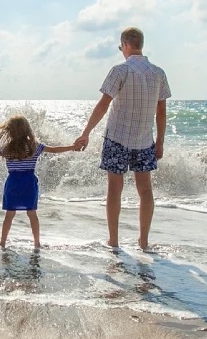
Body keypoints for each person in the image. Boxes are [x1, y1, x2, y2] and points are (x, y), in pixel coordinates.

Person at [73, 27, 171, 251]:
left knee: (114, 189)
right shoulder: (158, 73)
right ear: (140, 45)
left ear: (125, 45)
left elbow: (103, 105)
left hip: (117, 138)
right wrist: (160, 141)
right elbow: (161, 112)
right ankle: (143, 242)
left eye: (121, 47)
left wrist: (86, 132)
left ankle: (114, 241)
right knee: (145, 190)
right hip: (144, 141)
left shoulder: (120, 70)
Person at [0, 115, 77, 249]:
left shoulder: (7, 148)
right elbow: (54, 150)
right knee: (32, 214)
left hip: (13, 183)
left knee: (9, 214)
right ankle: (36, 243)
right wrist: (73, 147)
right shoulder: (34, 146)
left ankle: (3, 243)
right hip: (28, 183)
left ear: (10, 131)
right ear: (27, 129)